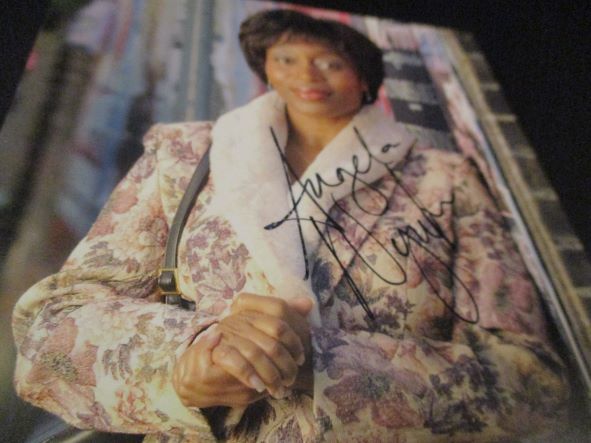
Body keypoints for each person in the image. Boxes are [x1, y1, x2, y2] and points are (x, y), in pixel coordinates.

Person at [13, 9, 569, 442]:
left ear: (364, 75)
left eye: (329, 62)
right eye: (287, 58)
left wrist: (320, 362)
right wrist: (185, 360)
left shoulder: (443, 181)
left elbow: (530, 381)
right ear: (266, 67)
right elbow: (52, 328)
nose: (307, 76)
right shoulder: (184, 153)